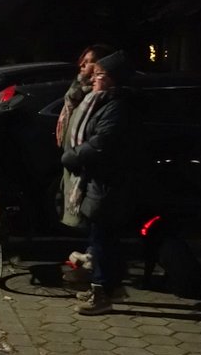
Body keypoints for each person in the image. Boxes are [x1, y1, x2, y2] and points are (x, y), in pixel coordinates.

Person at [61, 51, 139, 315]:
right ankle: (110, 287)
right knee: (102, 236)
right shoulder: (103, 101)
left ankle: (101, 293)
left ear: (114, 79)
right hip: (99, 180)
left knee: (104, 239)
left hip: (109, 181)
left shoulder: (116, 106)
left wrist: (72, 156)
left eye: (100, 75)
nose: (94, 79)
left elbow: (102, 143)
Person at [57, 44, 114, 229]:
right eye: (83, 60)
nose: (82, 65)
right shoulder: (79, 93)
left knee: (98, 228)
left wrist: (73, 156)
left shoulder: (100, 97)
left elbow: (99, 139)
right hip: (75, 162)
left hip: (86, 166)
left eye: (89, 61)